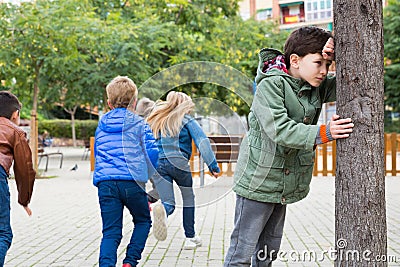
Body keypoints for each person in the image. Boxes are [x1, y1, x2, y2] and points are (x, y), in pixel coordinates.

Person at [224, 26, 354, 266]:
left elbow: (356, 80)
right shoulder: (270, 86)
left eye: (328, 65)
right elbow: (280, 129)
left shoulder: (314, 84)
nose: (325, 71)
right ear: (295, 60)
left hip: (282, 185)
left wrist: (338, 48)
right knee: (240, 255)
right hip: (258, 181)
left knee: (267, 253)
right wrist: (325, 132)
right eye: (318, 63)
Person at [93, 76, 159, 267]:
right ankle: (129, 262)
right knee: (143, 221)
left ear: (108, 102)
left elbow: (99, 151)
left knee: (111, 231)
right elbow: (153, 152)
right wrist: (145, 173)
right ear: (135, 102)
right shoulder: (139, 124)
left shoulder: (102, 124)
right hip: (132, 182)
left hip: (106, 184)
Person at [146, 91, 220, 249]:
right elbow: (202, 141)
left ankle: (163, 212)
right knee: (188, 198)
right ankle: (190, 238)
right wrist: (213, 166)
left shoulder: (158, 119)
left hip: (158, 164)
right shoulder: (186, 119)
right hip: (179, 164)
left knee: (168, 202)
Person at [0, 91, 36, 266]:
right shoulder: (15, 131)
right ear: (15, 115)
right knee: (3, 234)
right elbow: (25, 170)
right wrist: (24, 200)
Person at [135, 97, 159, 204]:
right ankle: (148, 199)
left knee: (139, 189)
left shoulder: (132, 123)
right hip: (151, 161)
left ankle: (143, 202)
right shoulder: (154, 124)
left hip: (136, 164)